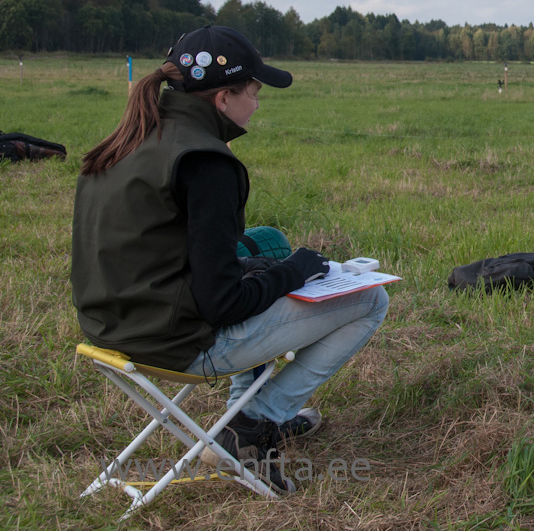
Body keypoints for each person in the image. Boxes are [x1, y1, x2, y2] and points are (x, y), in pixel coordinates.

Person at [71, 25, 389, 492]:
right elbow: (224, 304)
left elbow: (166, 257)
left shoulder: (128, 139)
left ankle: (246, 414)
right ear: (223, 99)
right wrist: (294, 271)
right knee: (371, 300)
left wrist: (268, 269)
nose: (257, 104)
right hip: (177, 345)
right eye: (254, 92)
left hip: (112, 329)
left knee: (266, 253)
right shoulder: (207, 162)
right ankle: (253, 424)